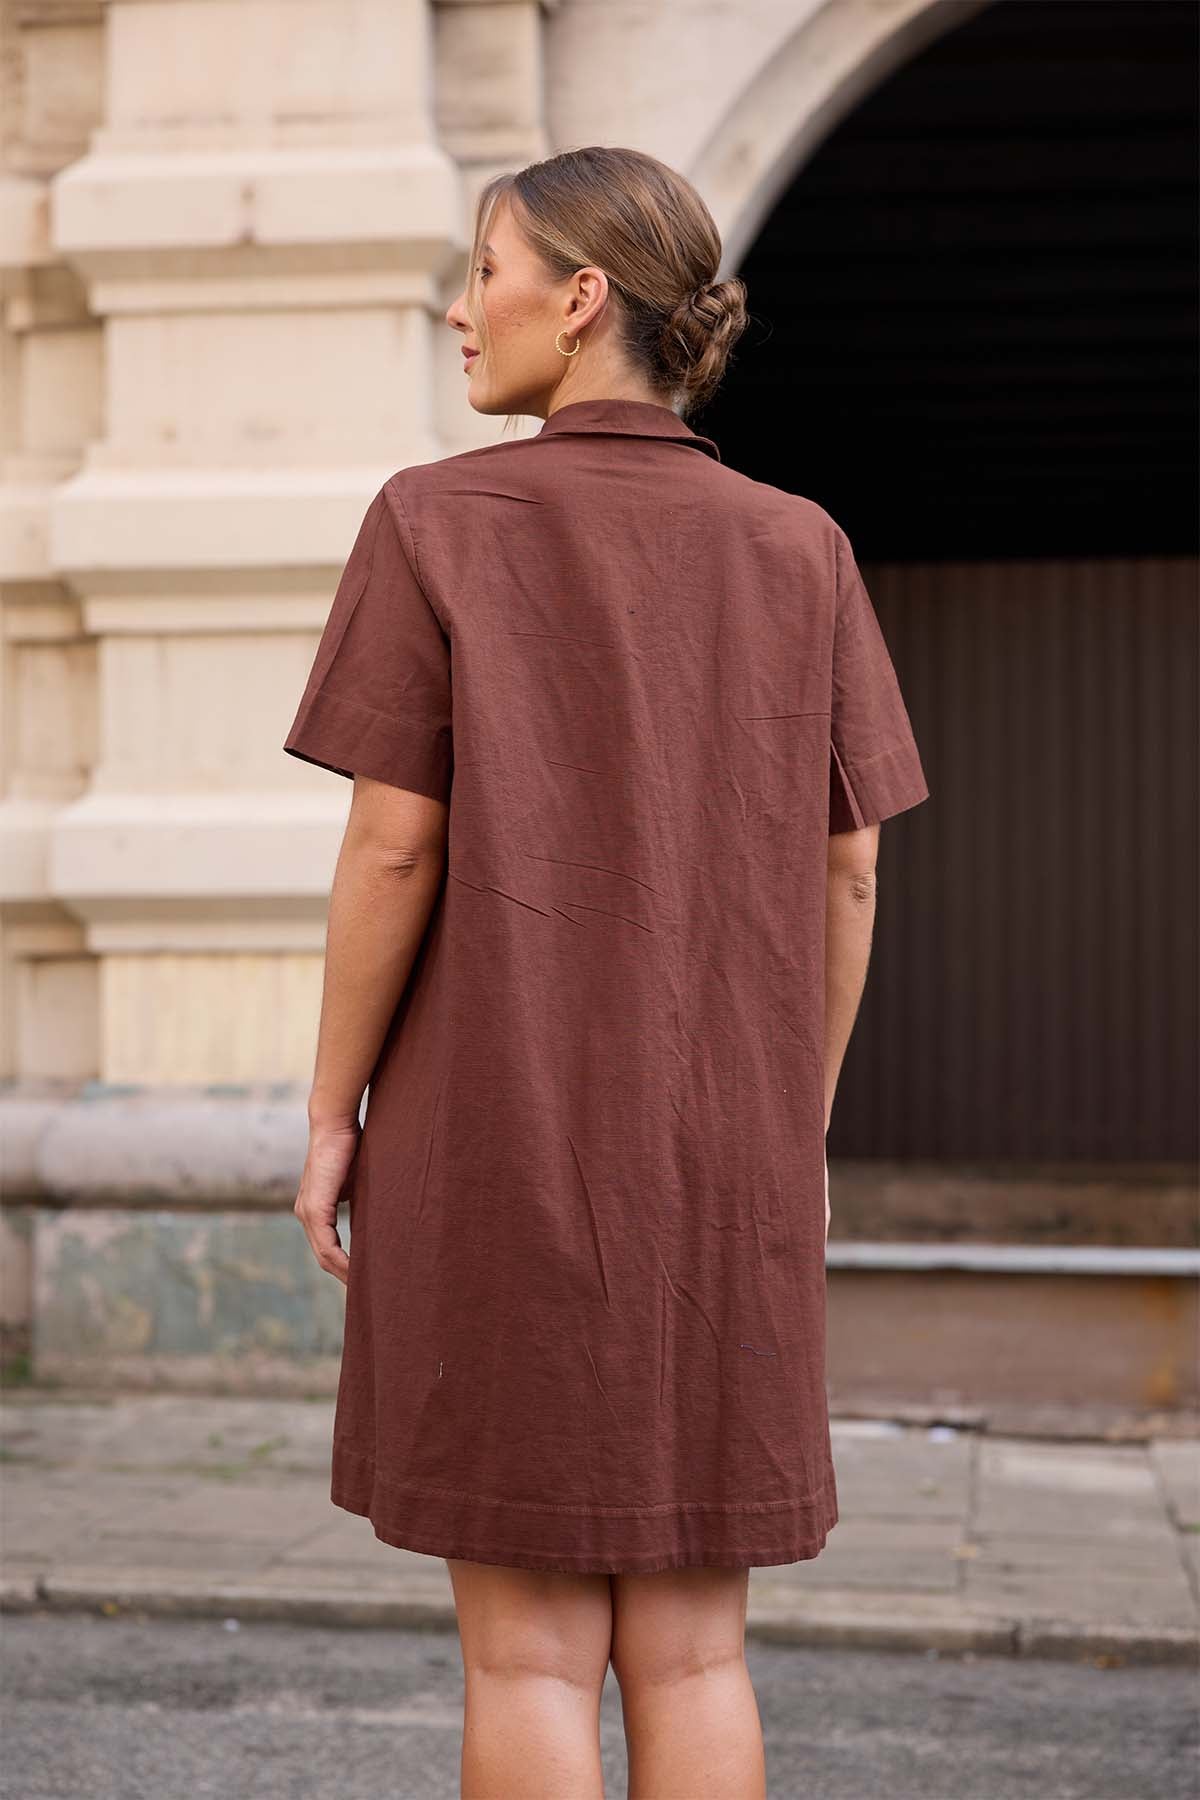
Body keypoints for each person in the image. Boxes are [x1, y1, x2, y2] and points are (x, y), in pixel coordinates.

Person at [285, 145, 929, 1800]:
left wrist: (332, 1111)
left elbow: (395, 851)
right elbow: (850, 865)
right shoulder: (800, 546)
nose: (459, 309)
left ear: (577, 300)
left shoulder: (435, 520)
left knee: (527, 1659)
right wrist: (794, 1125)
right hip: (721, 1160)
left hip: (496, 1146)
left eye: (482, 271)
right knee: (699, 1654)